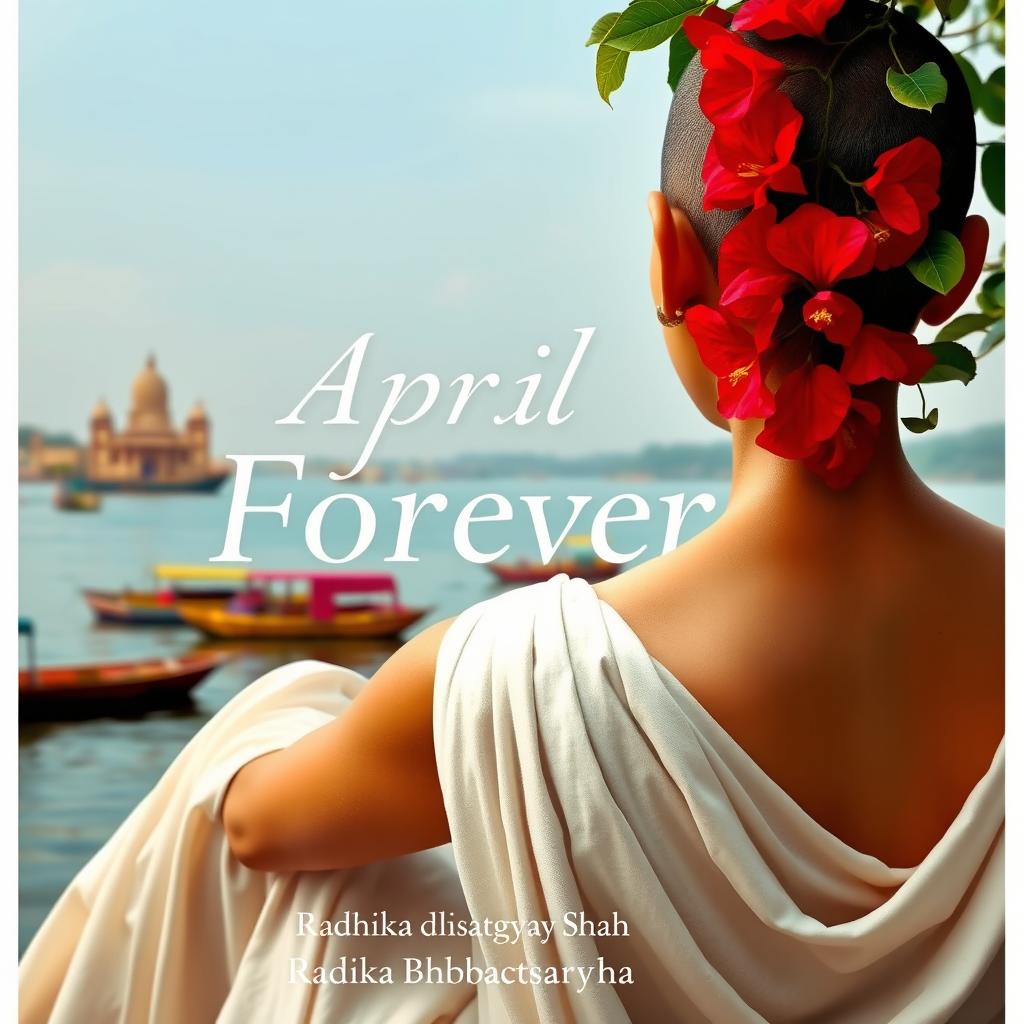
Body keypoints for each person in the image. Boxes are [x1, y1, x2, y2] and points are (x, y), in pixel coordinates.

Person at [21, 3, 1004, 1022]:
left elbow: (249, 832)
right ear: (954, 273)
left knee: (353, 882)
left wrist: (301, 700)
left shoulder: (516, 676)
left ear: (668, 257)